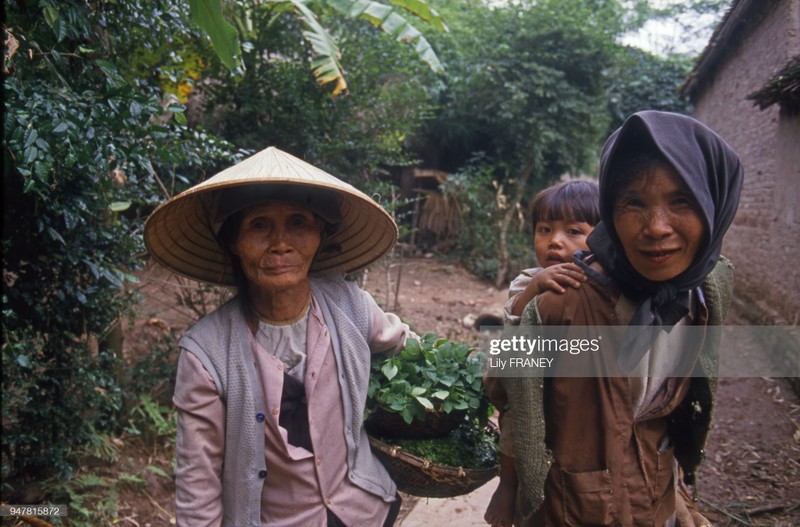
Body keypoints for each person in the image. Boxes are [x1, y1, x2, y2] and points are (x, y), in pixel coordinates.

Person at [144, 146, 413, 527]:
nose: (281, 242)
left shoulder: (349, 306)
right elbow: (197, 482)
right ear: (233, 242)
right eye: (259, 225)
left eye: (299, 222)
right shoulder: (207, 355)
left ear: (320, 234)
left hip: (363, 512)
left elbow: (409, 351)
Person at [502, 110, 743, 526]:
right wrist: (514, 489)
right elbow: (508, 391)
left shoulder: (708, 293)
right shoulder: (562, 302)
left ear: (714, 203)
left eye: (681, 200)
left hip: (654, 497)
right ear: (611, 213)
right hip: (571, 507)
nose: (656, 228)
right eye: (634, 202)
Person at [484, 180, 600, 527]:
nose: (555, 240)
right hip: (530, 378)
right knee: (515, 423)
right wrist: (536, 288)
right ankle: (507, 486)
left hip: (576, 388)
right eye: (545, 230)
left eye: (574, 231)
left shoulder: (602, 282)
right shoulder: (528, 279)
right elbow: (512, 321)